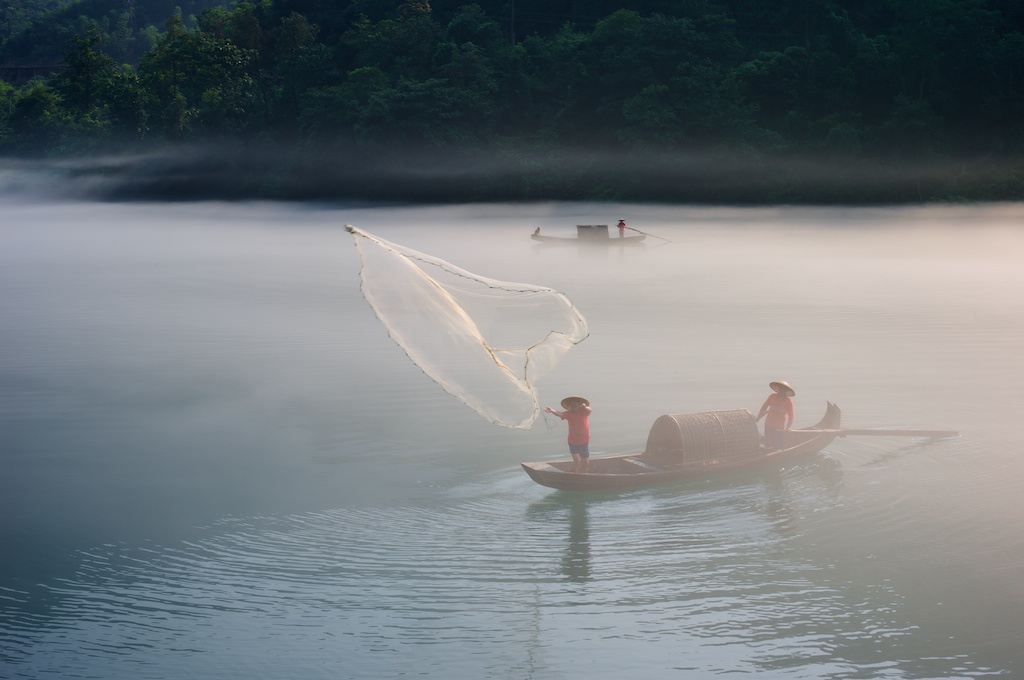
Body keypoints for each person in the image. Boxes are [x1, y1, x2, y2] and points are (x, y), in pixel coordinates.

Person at [545, 396, 592, 473]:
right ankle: (574, 473)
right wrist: (551, 410)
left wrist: (584, 407)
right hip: (573, 442)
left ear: (579, 404)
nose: (573, 406)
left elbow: (589, 410)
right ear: (569, 406)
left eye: (575, 404)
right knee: (577, 461)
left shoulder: (584, 412)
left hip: (584, 441)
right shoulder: (569, 414)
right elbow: (559, 414)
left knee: (585, 463)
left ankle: (585, 476)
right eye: (571, 405)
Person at [756, 381, 795, 450]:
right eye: (780, 388)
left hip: (779, 427)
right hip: (768, 424)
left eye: (783, 389)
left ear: (786, 391)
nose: (781, 390)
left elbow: (791, 417)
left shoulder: (788, 402)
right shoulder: (772, 397)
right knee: (768, 443)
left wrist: (787, 427)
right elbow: (764, 407)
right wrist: (758, 417)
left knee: (779, 446)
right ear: (778, 389)